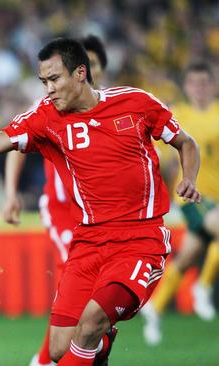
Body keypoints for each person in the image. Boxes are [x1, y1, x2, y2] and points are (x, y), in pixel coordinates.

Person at [0, 38, 200, 365]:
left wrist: (189, 178)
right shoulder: (46, 117)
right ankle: (100, 340)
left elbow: (185, 142)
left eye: (54, 80)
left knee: (91, 323)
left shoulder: (136, 103)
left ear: (80, 73)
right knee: (58, 348)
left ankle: (98, 333)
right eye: (43, 82)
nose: (48, 90)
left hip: (139, 240)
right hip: (89, 240)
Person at [2, 34, 108, 366]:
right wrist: (11, 194)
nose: (86, 72)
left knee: (94, 299)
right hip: (63, 212)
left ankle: (67, 354)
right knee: (79, 293)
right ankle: (52, 358)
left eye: (91, 65)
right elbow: (13, 144)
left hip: (100, 215)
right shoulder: (49, 107)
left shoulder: (113, 105)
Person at [141, 61, 219, 345]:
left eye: (204, 83)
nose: (199, 88)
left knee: (187, 256)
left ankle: (155, 308)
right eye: (194, 83)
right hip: (192, 195)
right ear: (187, 87)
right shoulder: (178, 115)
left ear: (212, 85)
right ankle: (203, 286)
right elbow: (160, 156)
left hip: (217, 199)